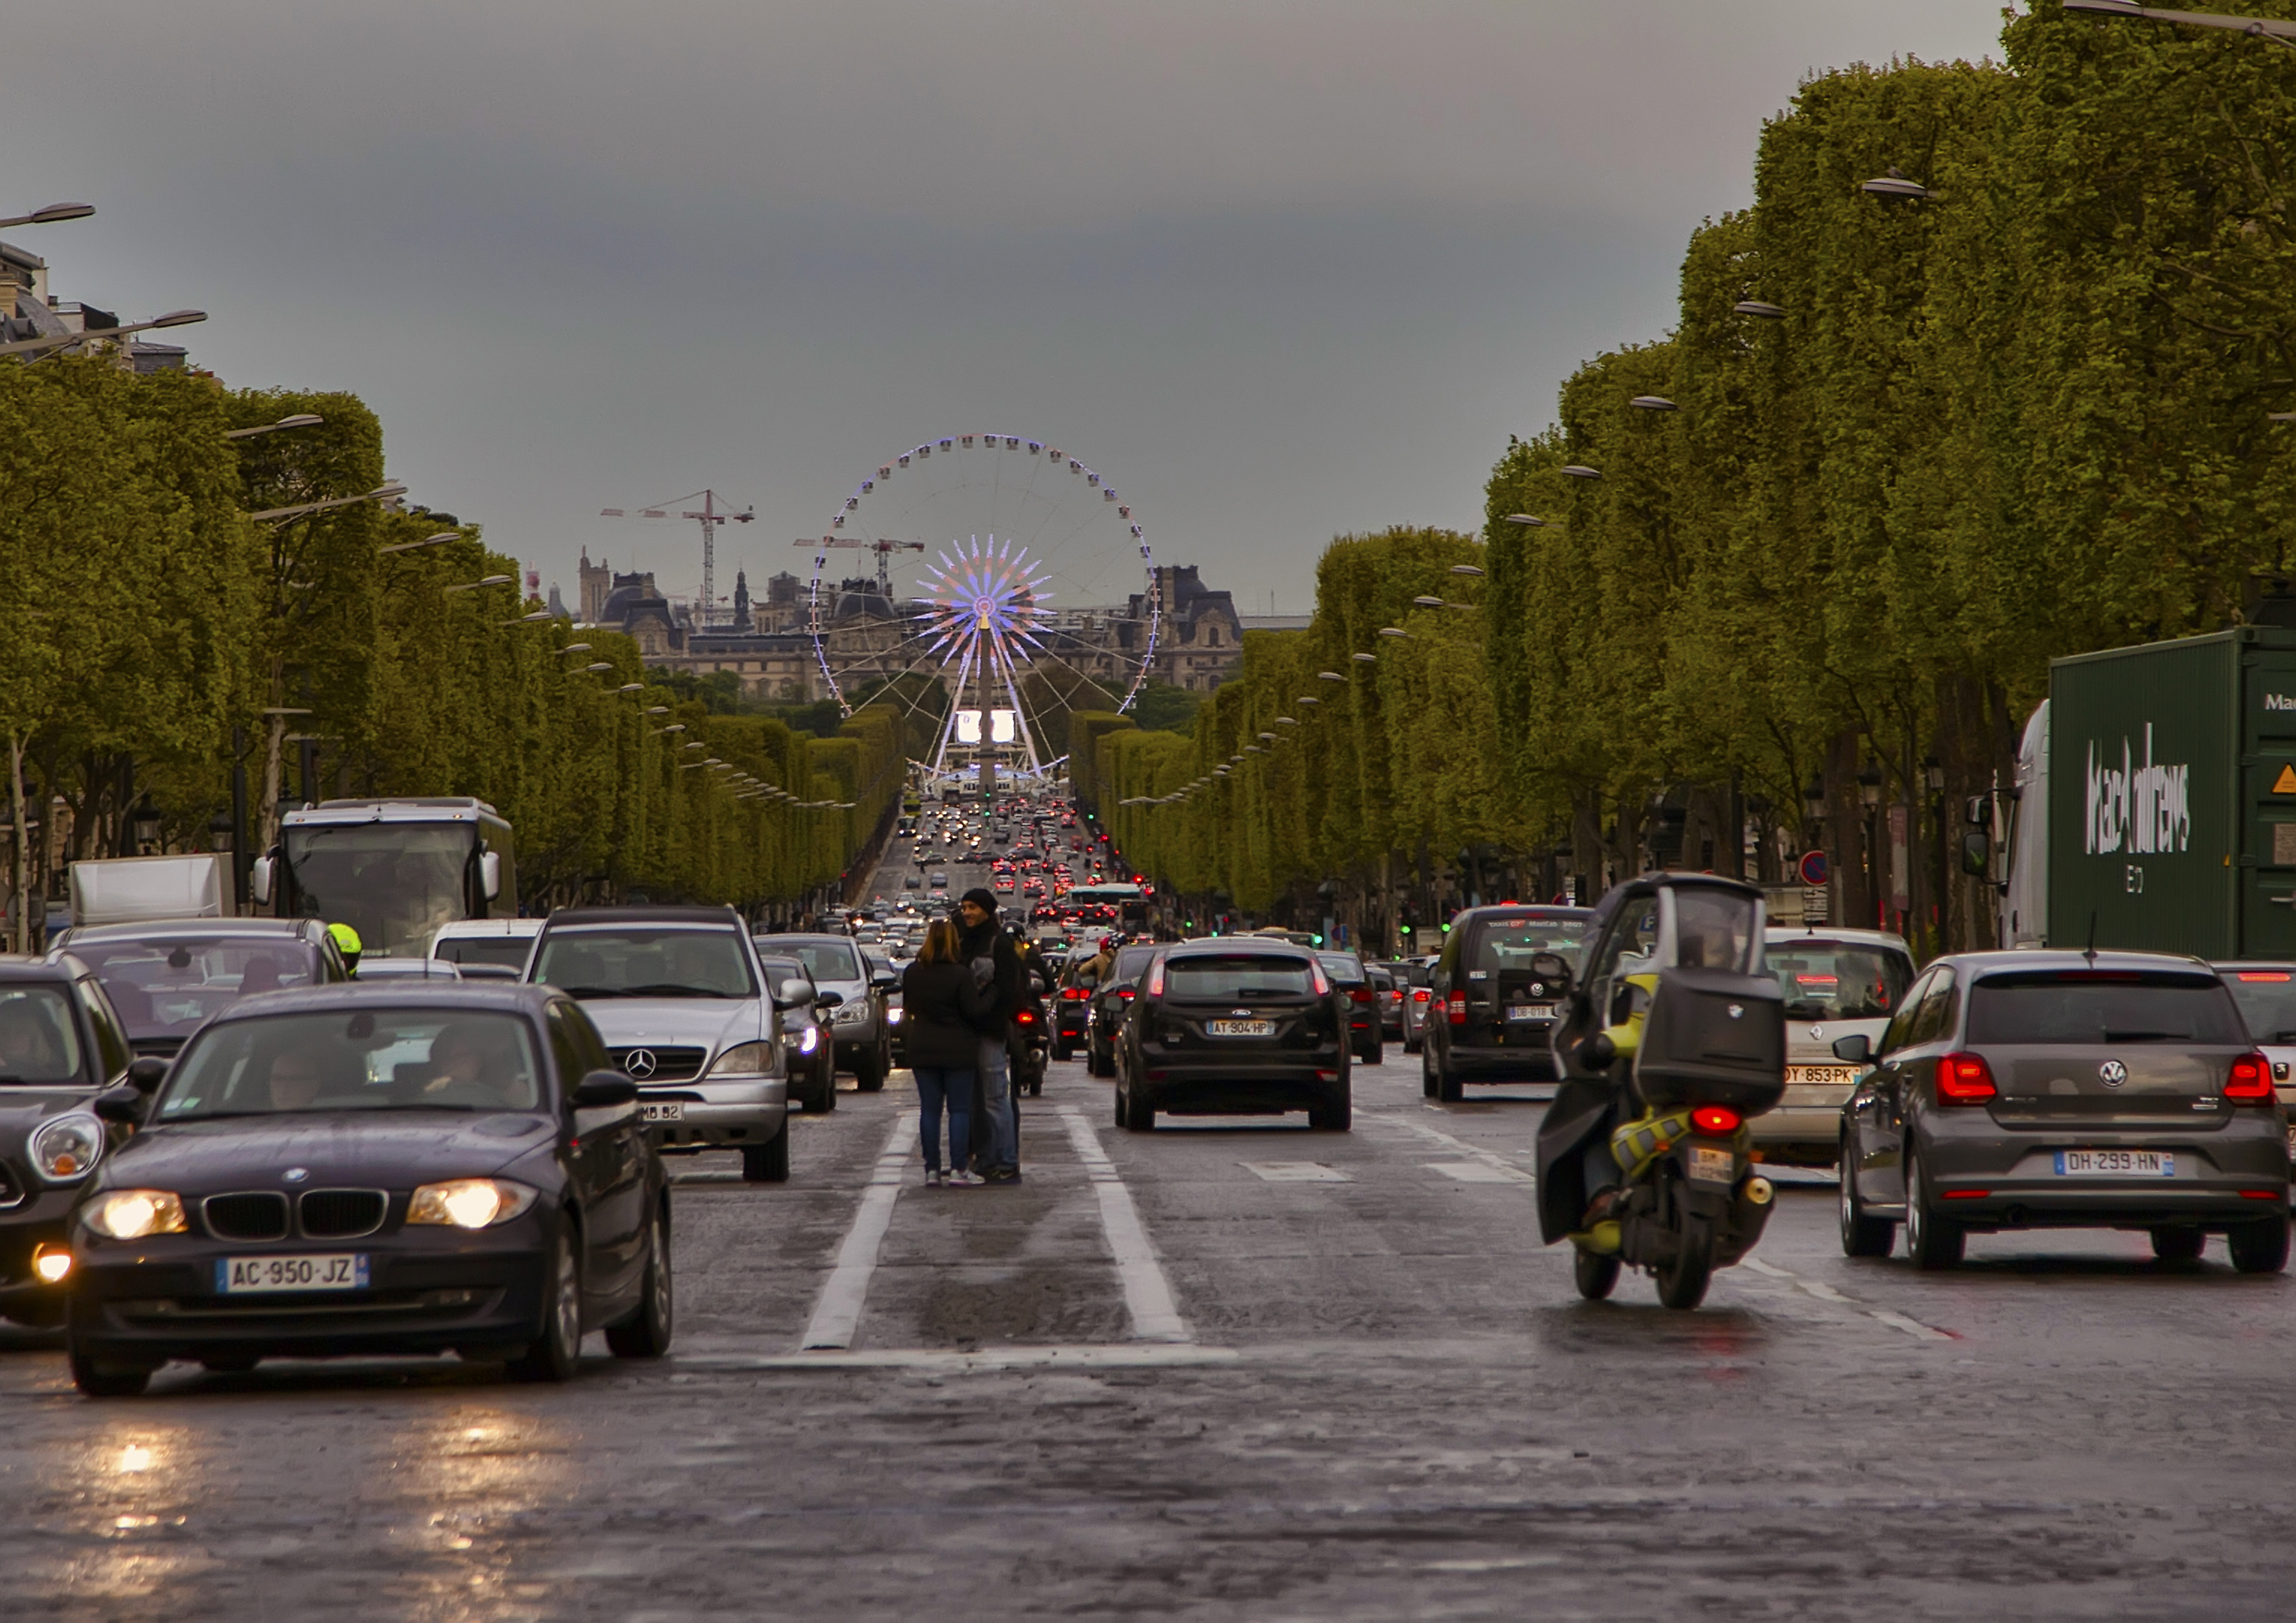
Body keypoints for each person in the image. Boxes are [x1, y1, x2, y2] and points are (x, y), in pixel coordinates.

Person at [901, 919, 993, 1186]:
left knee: (929, 1111)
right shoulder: (960, 974)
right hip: (957, 1048)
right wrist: (990, 995)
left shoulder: (912, 972)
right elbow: (973, 1011)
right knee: (959, 1110)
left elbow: (909, 1008)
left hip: (923, 1045)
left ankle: (931, 1169)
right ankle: (959, 1168)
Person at [956, 887, 1024, 1185]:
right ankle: (986, 1159)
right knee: (975, 1103)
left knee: (996, 1100)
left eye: (972, 907)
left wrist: (986, 1012)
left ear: (987, 910)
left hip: (989, 1033)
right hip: (966, 1032)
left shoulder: (1001, 945)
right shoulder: (962, 941)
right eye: (964, 907)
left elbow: (1008, 991)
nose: (967, 913)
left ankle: (1006, 1162)